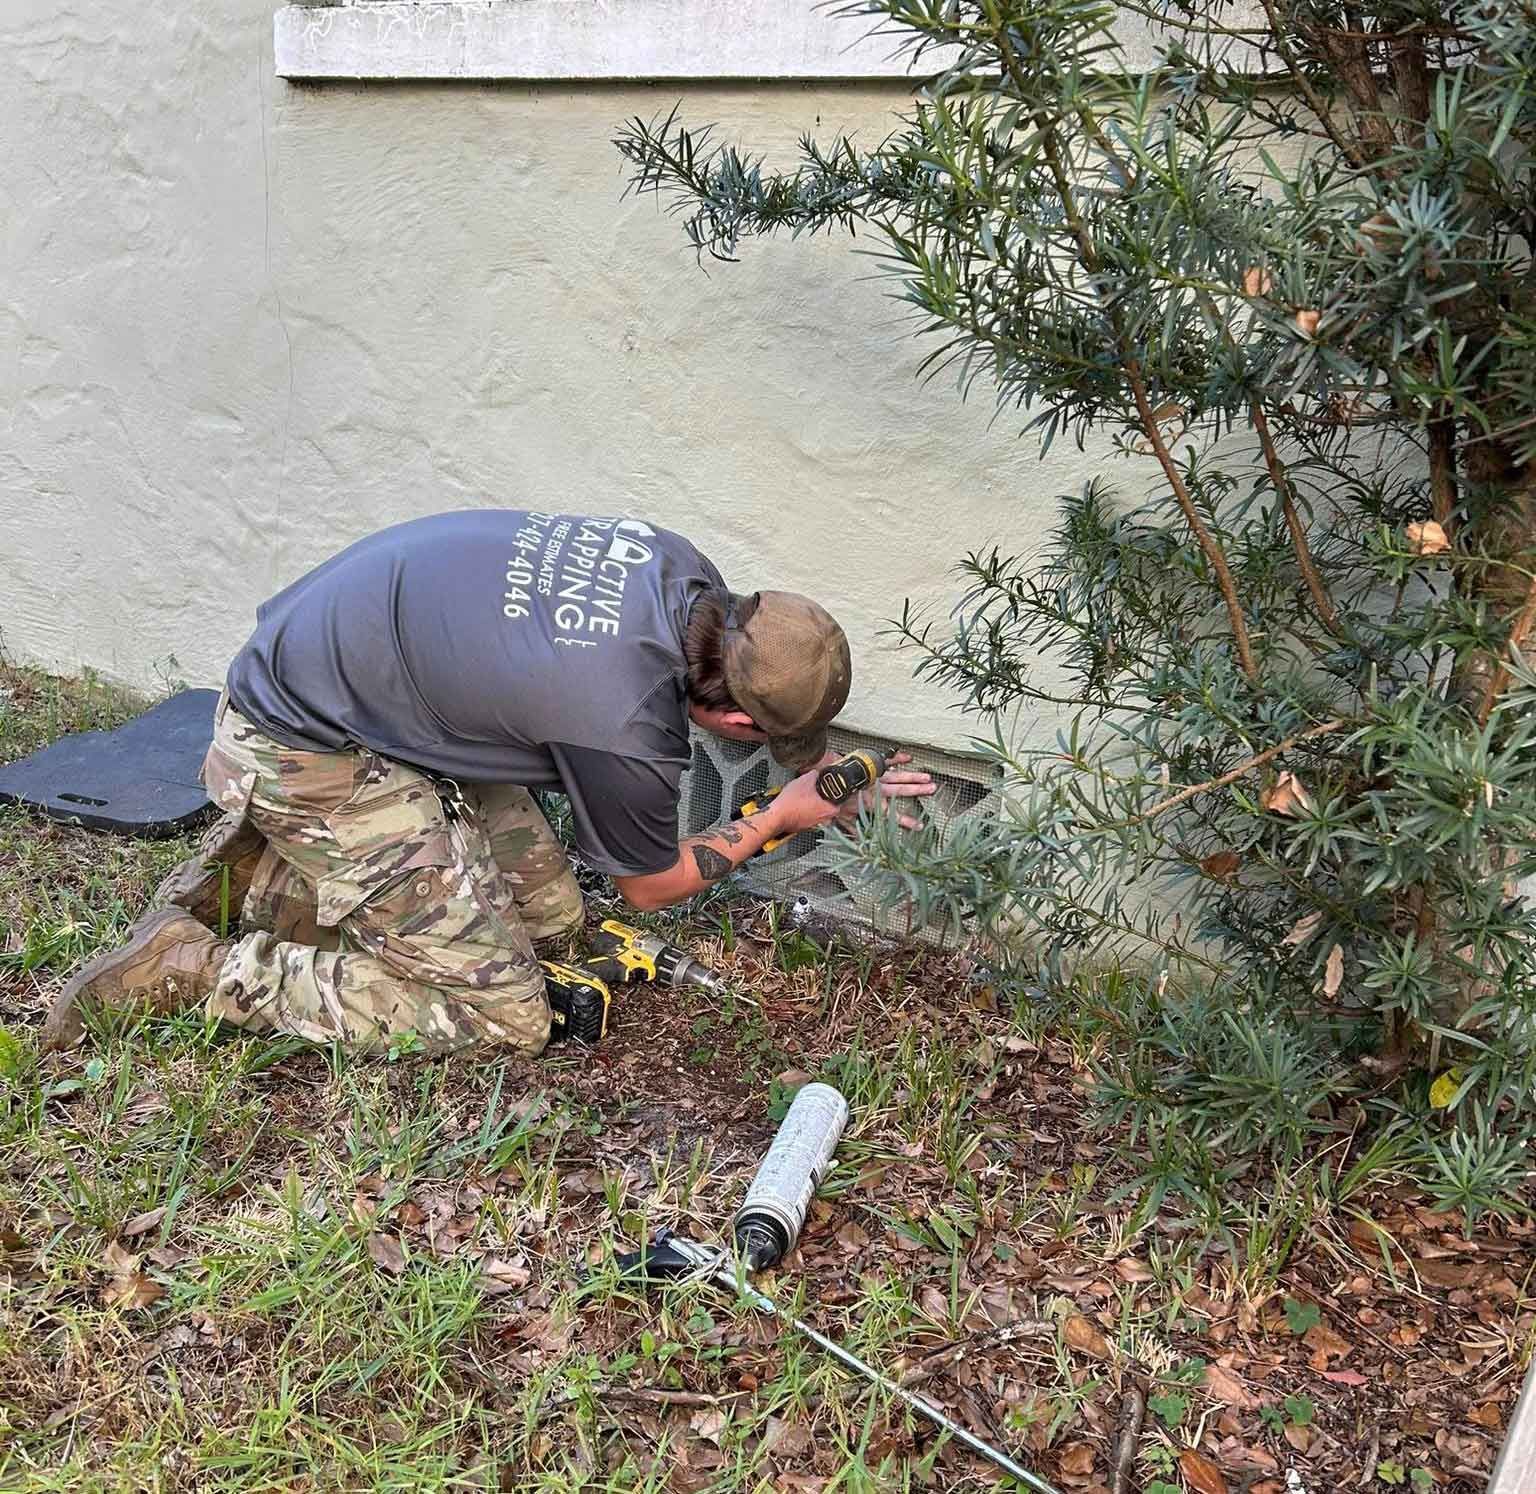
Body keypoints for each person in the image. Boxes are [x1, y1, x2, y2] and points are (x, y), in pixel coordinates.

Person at [42, 511, 935, 1056]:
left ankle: (280, 871)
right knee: (504, 1014)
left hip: (355, 684)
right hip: (301, 740)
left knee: (554, 927)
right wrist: (780, 814)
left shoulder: (682, 570)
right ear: (738, 721)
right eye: (771, 735)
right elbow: (652, 882)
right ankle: (198, 968)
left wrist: (805, 785)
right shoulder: (625, 723)